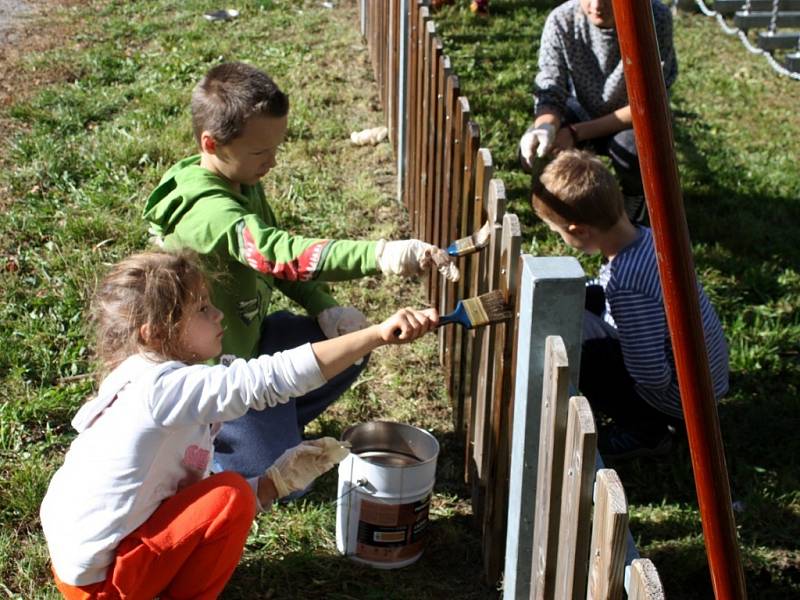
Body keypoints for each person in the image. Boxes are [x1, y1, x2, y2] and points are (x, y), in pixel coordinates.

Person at [40, 250, 439, 598]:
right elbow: (269, 380)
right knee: (228, 495)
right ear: (157, 333)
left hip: (87, 566)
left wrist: (275, 483)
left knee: (224, 492)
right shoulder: (161, 390)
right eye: (201, 309)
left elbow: (181, 498)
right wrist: (375, 335)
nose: (217, 315)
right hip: (103, 586)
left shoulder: (143, 380)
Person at [143, 62, 458, 479]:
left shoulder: (239, 177)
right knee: (272, 476)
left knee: (351, 343)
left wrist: (325, 308)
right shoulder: (211, 213)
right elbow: (280, 254)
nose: (271, 162)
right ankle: (219, 440)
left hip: (250, 342)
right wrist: (381, 255)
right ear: (212, 143)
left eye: (276, 148)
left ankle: (272, 421)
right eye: (261, 152)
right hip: (216, 377)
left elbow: (272, 265)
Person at [531, 150, 729, 459]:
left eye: (557, 232)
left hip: (681, 402)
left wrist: (611, 346)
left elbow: (652, 374)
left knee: (587, 351)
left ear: (579, 231)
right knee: (586, 305)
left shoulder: (626, 283)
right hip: (705, 381)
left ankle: (645, 431)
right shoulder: (650, 237)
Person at [519, 0, 677, 223]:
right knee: (541, 151)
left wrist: (575, 133)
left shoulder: (654, 18)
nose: (597, 5)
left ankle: (635, 199)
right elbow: (551, 85)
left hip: (628, 118)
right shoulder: (562, 20)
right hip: (579, 108)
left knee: (634, 152)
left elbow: (649, 103)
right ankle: (565, 211)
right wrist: (546, 127)